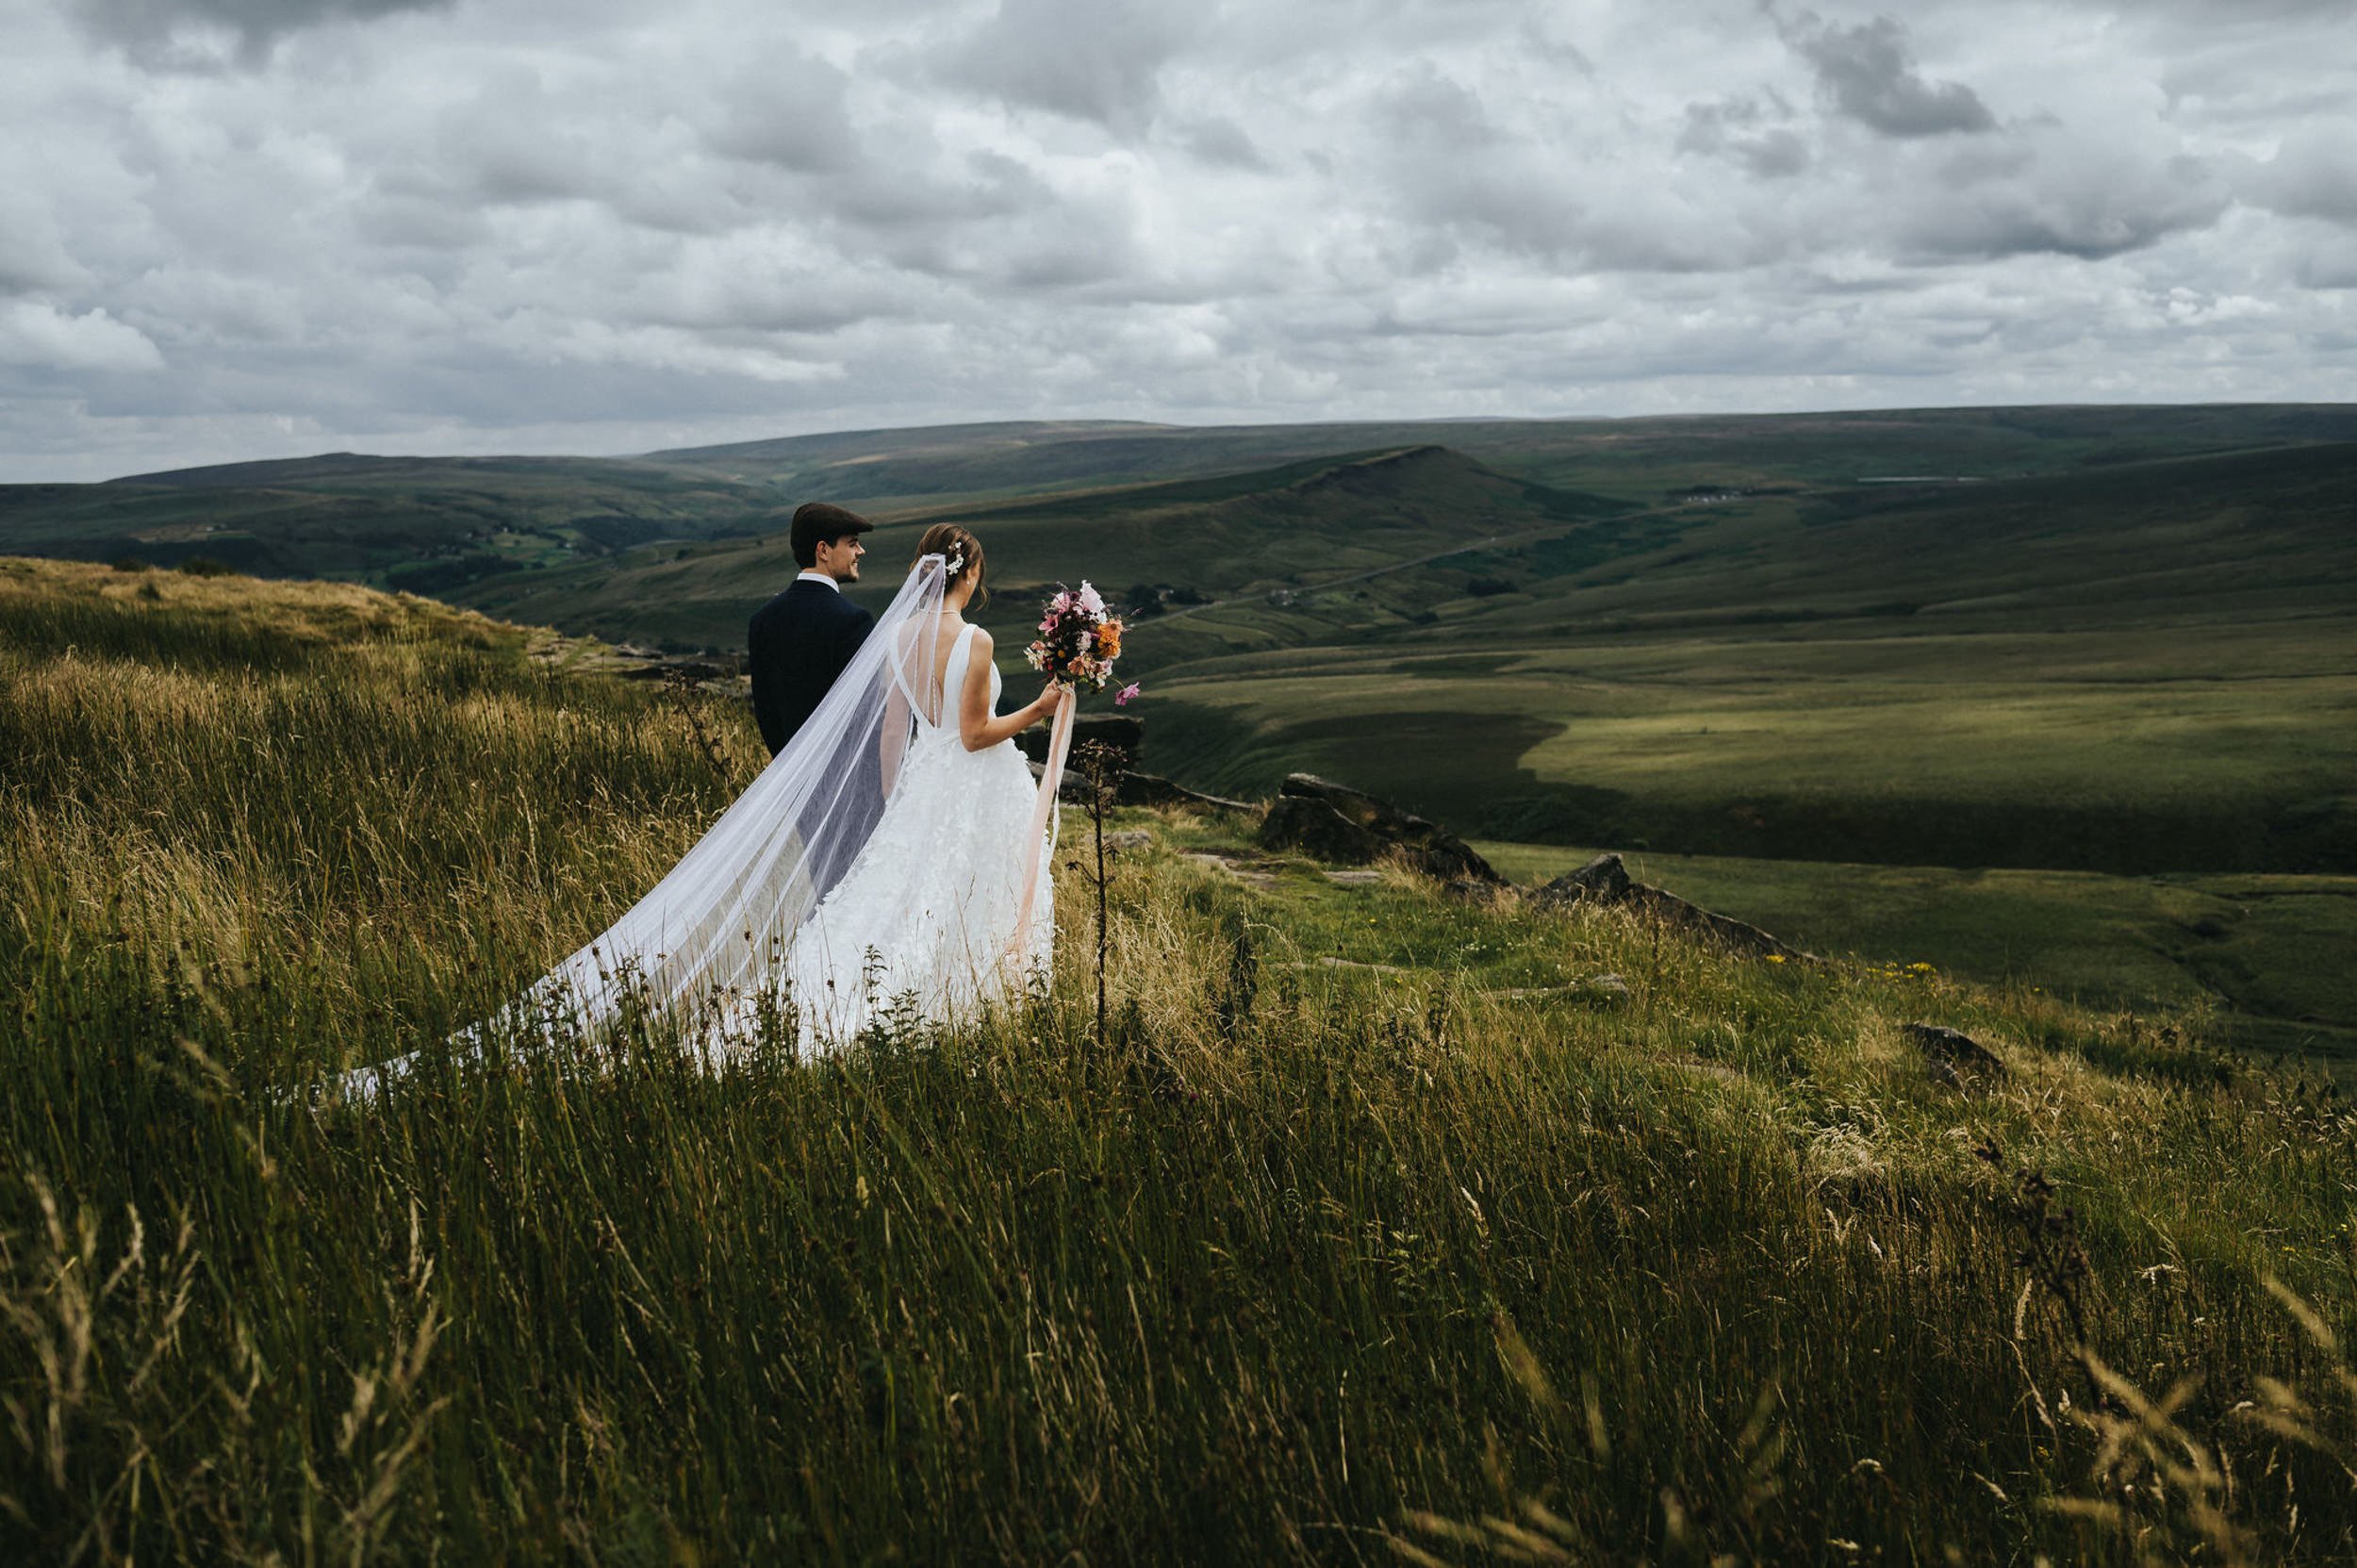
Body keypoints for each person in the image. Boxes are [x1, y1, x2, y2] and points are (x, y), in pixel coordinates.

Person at [331, 524, 1067, 1098]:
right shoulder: (973, 638)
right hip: (966, 782)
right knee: (957, 892)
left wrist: (889, 797)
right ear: (968, 573)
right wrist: (1040, 703)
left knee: (906, 894)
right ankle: (961, 1003)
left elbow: (888, 730)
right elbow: (973, 735)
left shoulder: (896, 636)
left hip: (915, 786)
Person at [748, 503, 876, 757]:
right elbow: (864, 713)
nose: (861, 551)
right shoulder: (853, 621)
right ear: (823, 550)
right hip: (840, 773)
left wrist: (789, 766)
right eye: (852, 543)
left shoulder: (762, 620)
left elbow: (766, 711)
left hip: (787, 774)